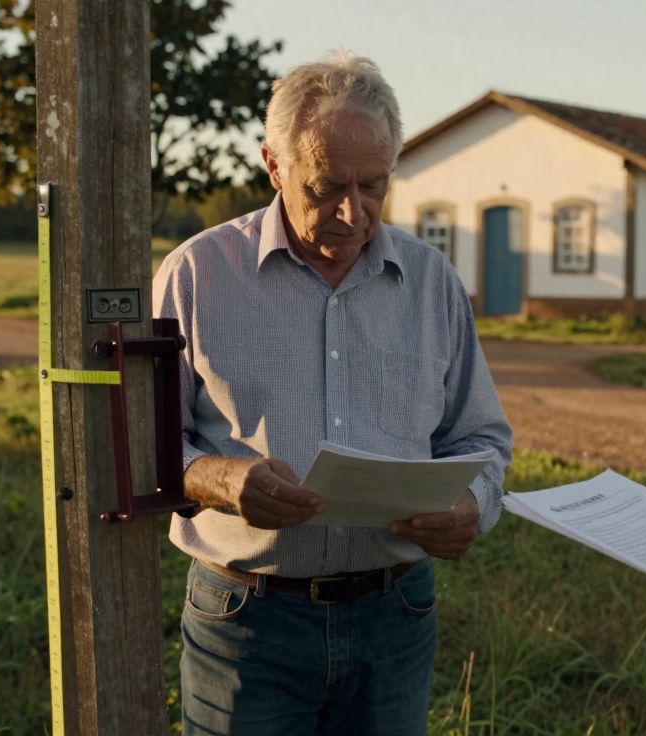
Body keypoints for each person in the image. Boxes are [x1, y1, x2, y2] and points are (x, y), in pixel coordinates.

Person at [152, 51, 512, 735]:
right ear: (273, 164)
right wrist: (220, 479)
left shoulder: (432, 282)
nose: (352, 212)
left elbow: (481, 437)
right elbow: (142, 446)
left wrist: (471, 503)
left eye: (374, 185)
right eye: (325, 187)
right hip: (246, 621)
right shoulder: (196, 275)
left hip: (395, 616)